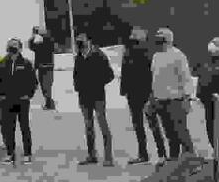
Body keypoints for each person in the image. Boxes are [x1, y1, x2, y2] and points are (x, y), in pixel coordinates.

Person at [121, 27, 168, 164]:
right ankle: (155, 153)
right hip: (138, 92)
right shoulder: (135, 52)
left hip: (142, 92)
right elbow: (125, 72)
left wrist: (124, 90)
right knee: (144, 124)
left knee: (147, 124)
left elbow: (151, 74)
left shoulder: (144, 53)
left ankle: (156, 153)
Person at [150, 27, 195, 162]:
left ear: (168, 40)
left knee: (181, 132)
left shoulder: (178, 55)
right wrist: (152, 98)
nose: (158, 42)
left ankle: (191, 157)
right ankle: (174, 160)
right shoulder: (156, 56)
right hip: (160, 100)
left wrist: (187, 99)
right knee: (170, 134)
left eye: (161, 39)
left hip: (175, 100)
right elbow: (154, 78)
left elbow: (186, 78)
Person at [73, 33, 116, 166]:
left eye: (82, 42)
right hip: (84, 97)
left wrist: (96, 82)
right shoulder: (79, 57)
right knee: (88, 126)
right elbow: (76, 75)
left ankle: (108, 157)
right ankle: (92, 155)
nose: (80, 44)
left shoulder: (99, 55)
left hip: (97, 95)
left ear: (89, 41)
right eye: (78, 42)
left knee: (102, 124)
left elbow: (110, 75)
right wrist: (77, 87)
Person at [0, 37, 38, 165]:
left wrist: (29, 95)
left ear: (20, 48)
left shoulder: (26, 63)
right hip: (8, 101)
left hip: (22, 101)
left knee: (24, 127)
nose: (12, 47)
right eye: (10, 45)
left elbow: (33, 82)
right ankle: (10, 153)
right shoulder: (3, 63)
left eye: (15, 45)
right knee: (8, 128)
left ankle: (27, 154)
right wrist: (1, 95)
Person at [28, 25, 57, 110]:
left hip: (47, 67)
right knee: (44, 86)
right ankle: (48, 103)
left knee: (47, 86)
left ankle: (50, 104)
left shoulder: (48, 42)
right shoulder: (38, 44)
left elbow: (52, 44)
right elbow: (31, 46)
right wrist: (33, 36)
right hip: (42, 67)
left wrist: (37, 35)